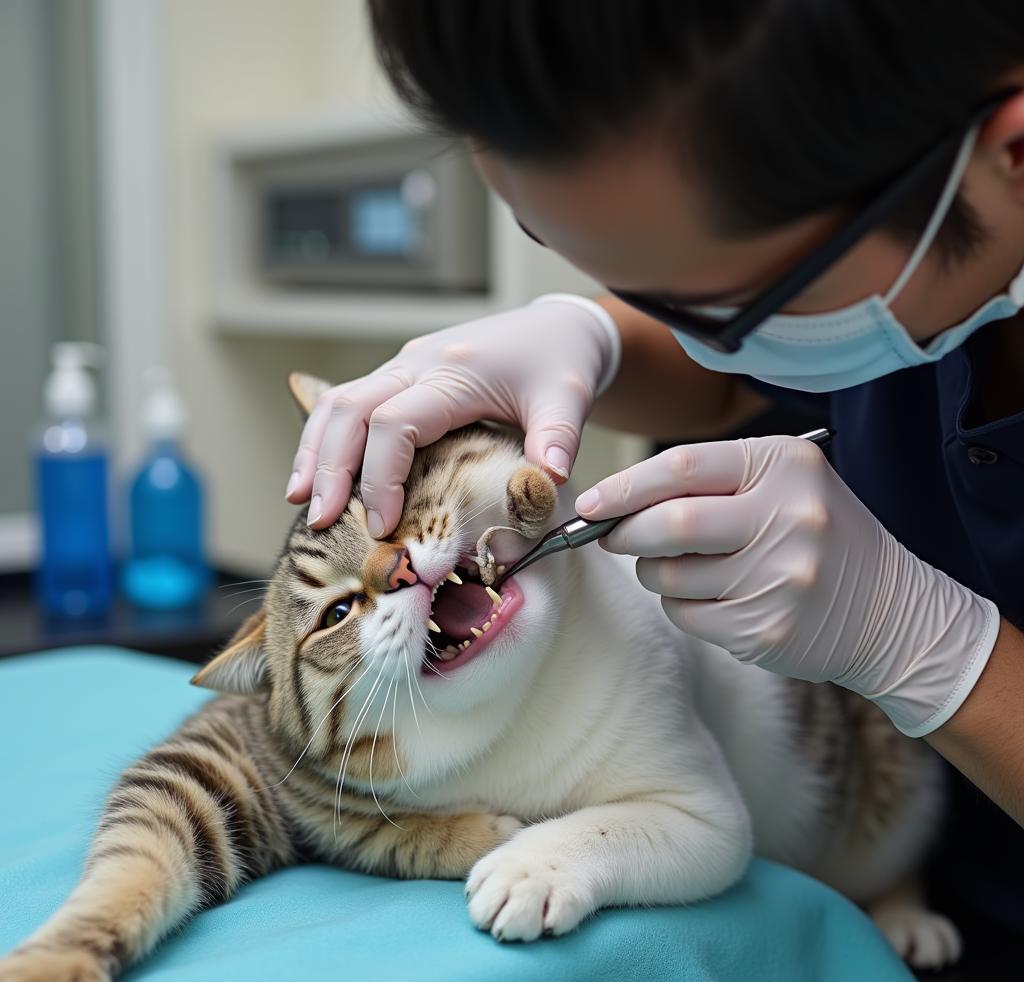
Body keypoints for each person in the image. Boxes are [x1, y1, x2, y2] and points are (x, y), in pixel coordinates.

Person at [285, 2, 1024, 929]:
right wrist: (594, 337)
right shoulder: (898, 243)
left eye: (710, 302)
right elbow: (731, 379)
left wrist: (937, 653)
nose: (676, 330)